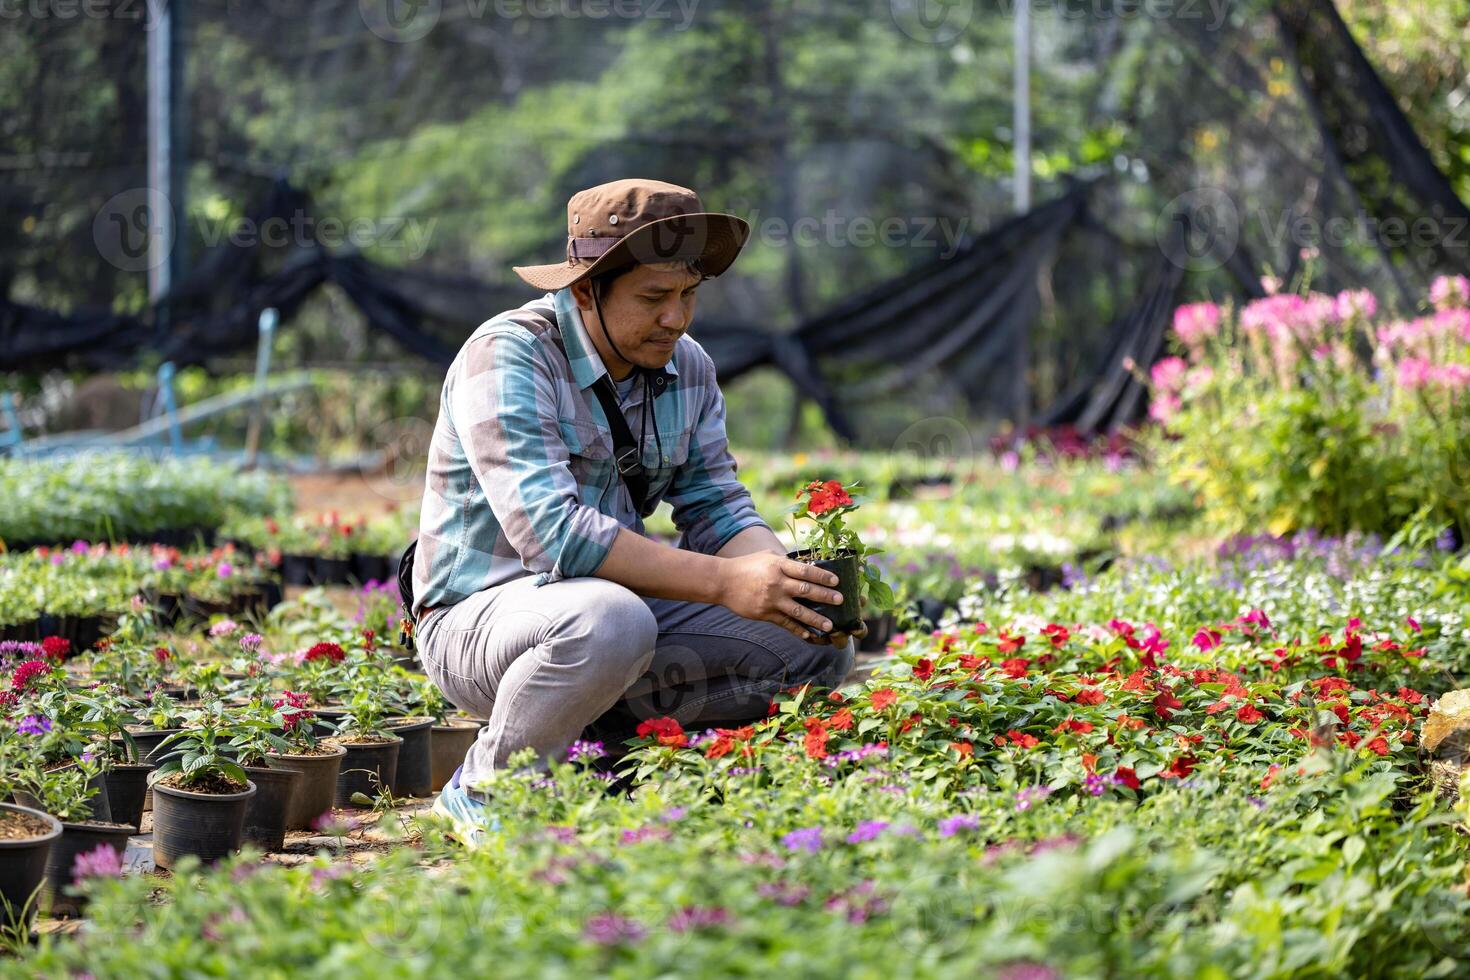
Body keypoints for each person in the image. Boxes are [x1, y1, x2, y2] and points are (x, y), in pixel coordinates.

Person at [413, 178, 862, 840]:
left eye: (687, 297)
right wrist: (724, 582)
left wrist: (781, 581)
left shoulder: (690, 369)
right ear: (585, 290)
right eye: (653, 298)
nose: (675, 319)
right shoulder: (509, 355)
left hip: (606, 614)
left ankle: (601, 762)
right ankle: (489, 786)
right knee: (609, 622)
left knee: (812, 641)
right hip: (480, 623)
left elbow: (715, 504)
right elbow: (553, 534)